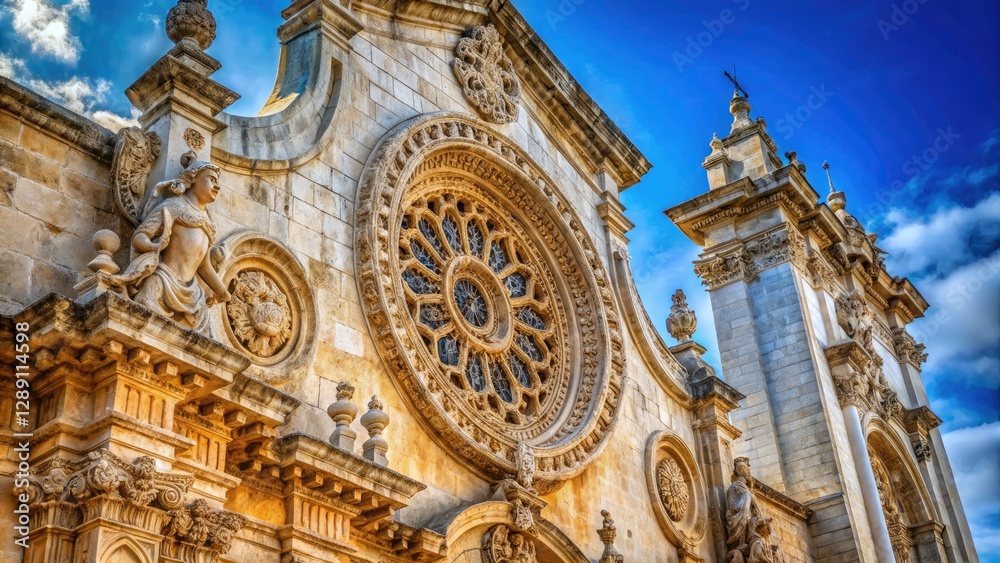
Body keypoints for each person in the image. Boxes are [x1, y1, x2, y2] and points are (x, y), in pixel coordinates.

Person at [114, 153, 230, 336]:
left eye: (218, 181)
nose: (217, 185)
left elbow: (203, 264)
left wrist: (222, 291)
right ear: (193, 179)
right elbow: (140, 237)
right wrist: (156, 246)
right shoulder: (173, 206)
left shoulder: (209, 224)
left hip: (194, 295)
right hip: (163, 281)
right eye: (212, 179)